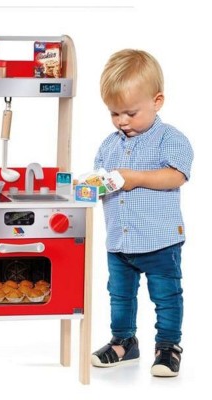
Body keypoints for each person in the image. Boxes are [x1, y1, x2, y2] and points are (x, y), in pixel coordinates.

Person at [91, 49, 193, 377]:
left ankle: (167, 347)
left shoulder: (169, 138)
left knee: (166, 296)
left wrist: (134, 178)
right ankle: (124, 343)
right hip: (119, 242)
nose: (122, 121)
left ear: (156, 101)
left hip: (160, 240)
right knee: (119, 296)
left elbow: (176, 175)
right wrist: (90, 187)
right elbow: (100, 182)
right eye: (114, 113)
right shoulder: (109, 145)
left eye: (130, 113)